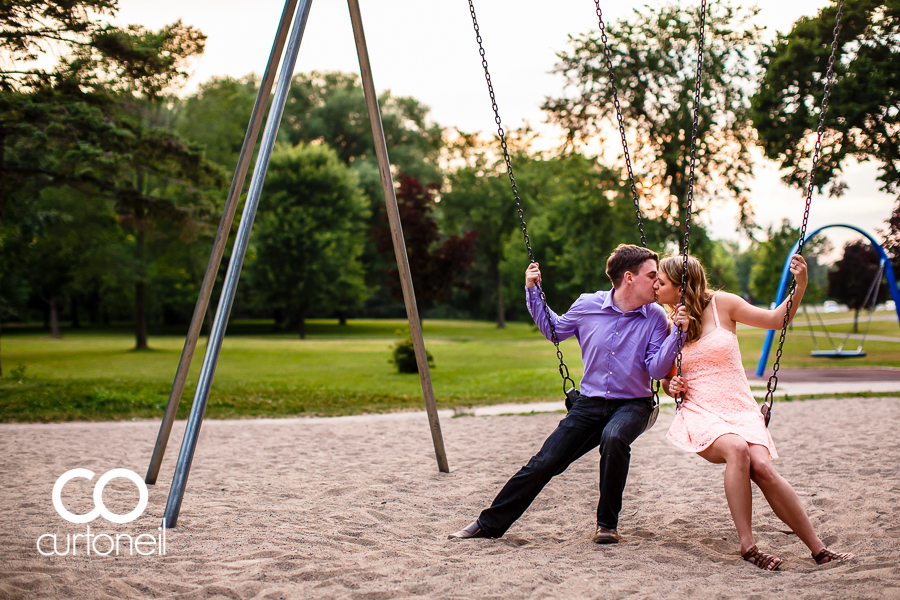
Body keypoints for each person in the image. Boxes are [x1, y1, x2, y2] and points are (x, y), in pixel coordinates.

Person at [449, 244, 686, 544]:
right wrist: (533, 290)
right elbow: (554, 329)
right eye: (652, 275)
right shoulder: (588, 305)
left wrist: (677, 332)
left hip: (633, 404)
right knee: (545, 462)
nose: (657, 281)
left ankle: (606, 524)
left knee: (614, 437)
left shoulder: (654, 317)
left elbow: (655, 369)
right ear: (629, 277)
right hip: (589, 404)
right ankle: (488, 524)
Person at [657, 254, 856, 570]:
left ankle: (819, 550)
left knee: (762, 468)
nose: (655, 285)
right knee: (737, 449)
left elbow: (778, 319)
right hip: (700, 410)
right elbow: (666, 378)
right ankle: (748, 546)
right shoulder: (668, 323)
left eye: (662, 281)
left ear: (681, 285)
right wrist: (673, 387)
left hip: (738, 406)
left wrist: (800, 284)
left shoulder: (724, 304)